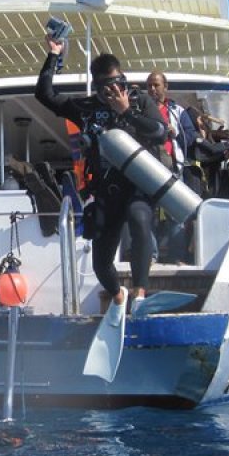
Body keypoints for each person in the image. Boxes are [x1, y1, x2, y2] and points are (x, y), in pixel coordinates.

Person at [35, 36, 167, 312]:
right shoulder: (86, 109)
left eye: (119, 83)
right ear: (97, 86)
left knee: (139, 218)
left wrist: (126, 112)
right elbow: (44, 95)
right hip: (107, 190)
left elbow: (159, 132)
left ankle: (140, 294)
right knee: (100, 262)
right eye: (107, 87)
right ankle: (118, 296)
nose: (114, 91)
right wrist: (53, 55)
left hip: (138, 183)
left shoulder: (138, 100)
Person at [146, 71, 198, 263]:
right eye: (149, 85)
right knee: (147, 213)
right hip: (147, 166)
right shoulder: (140, 109)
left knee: (175, 214)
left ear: (165, 87)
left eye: (156, 85)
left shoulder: (177, 111)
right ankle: (150, 255)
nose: (152, 89)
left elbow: (191, 137)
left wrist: (175, 132)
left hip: (173, 168)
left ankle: (176, 256)